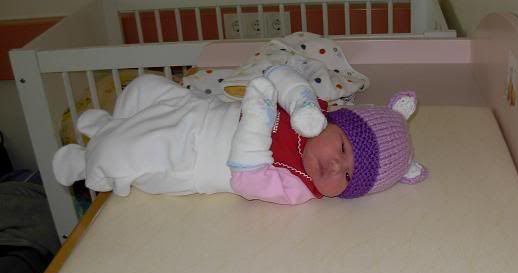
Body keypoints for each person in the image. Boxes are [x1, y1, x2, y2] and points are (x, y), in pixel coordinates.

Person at [53, 66, 426, 205]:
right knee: (144, 89)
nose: (334, 166)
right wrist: (300, 103)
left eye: (347, 176)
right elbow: (277, 74)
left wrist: (257, 118)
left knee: (125, 153)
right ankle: (109, 124)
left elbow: (247, 179)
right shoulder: (314, 113)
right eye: (342, 148)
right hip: (199, 110)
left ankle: (84, 162)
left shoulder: (298, 187)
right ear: (333, 121)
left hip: (192, 159)